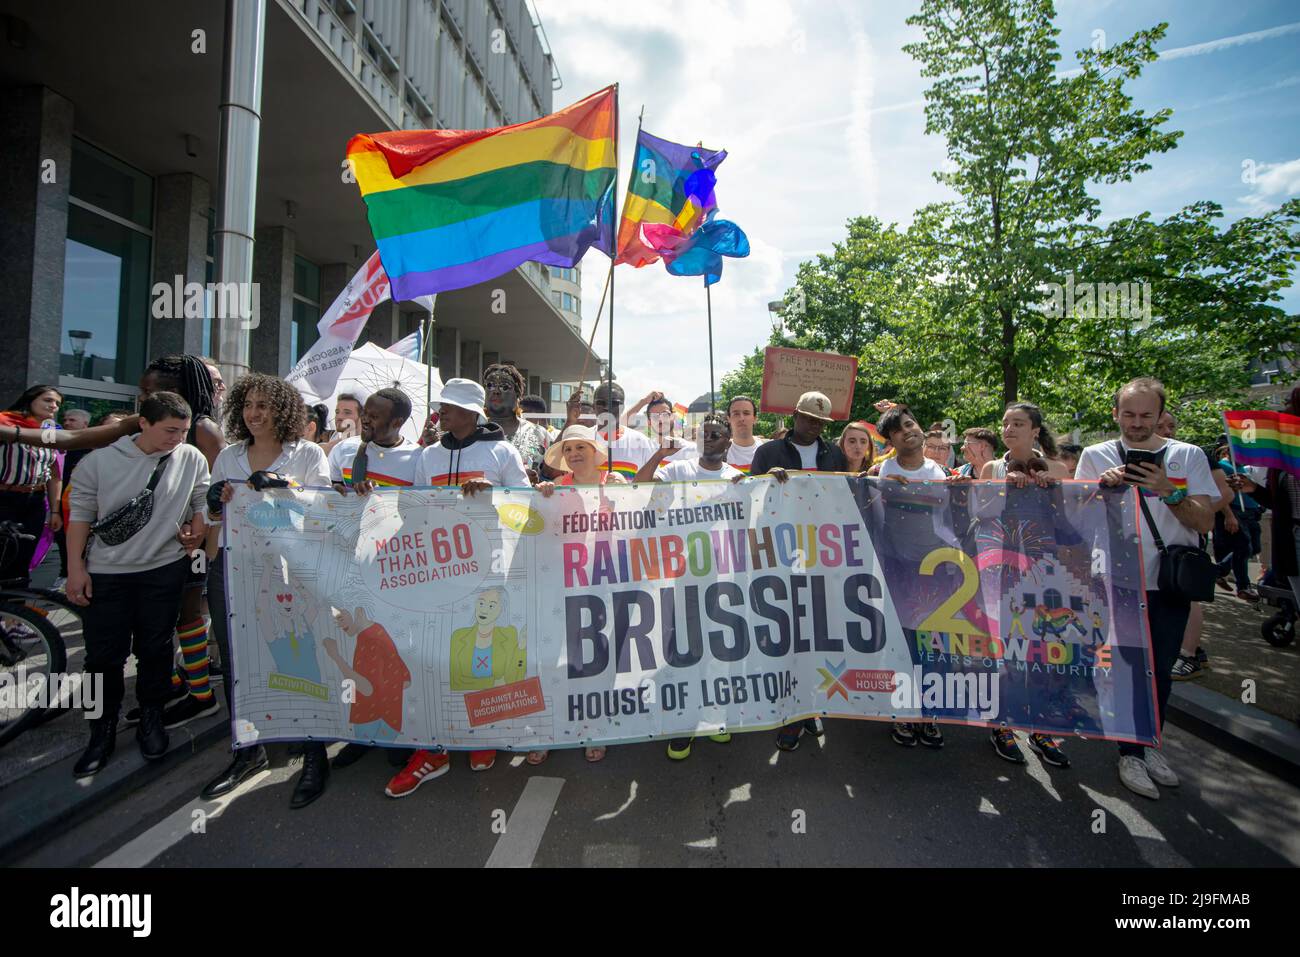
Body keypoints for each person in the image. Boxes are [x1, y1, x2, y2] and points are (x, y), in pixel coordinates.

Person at [381, 379, 530, 796]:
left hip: (489, 569)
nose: (443, 412)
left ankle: (479, 735)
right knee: (434, 656)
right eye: (442, 405)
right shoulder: (428, 454)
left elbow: (527, 502)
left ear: (472, 413)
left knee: (479, 653)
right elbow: (410, 506)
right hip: (437, 570)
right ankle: (437, 748)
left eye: (450, 406)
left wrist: (494, 494)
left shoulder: (502, 451)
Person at [1076, 378, 1216, 800]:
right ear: (1115, 414)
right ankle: (1130, 751)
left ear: (1160, 416)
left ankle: (1150, 741)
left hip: (1168, 583)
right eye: (1129, 414)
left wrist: (1168, 492)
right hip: (1116, 580)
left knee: (1162, 666)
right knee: (1126, 669)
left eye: (1146, 416)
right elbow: (1076, 517)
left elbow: (1204, 522)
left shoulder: (1188, 455)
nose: (1137, 424)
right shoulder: (1095, 455)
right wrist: (1104, 490)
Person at [198, 373, 333, 807]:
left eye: (264, 405)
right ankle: (247, 751)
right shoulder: (229, 457)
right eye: (248, 405)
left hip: (291, 572)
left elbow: (325, 510)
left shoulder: (308, 454)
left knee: (298, 655)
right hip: (234, 570)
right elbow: (215, 518)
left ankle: (313, 752)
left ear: (284, 410)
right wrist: (214, 500)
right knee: (237, 656)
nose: (254, 414)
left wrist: (285, 489)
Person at [65, 391, 210, 777]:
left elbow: (200, 499)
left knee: (156, 650)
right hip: (106, 574)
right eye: (168, 430)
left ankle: (152, 718)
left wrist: (196, 529)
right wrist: (76, 569)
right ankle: (100, 731)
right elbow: (79, 515)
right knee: (101, 659)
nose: (176, 439)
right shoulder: (99, 462)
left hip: (164, 569)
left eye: (182, 431)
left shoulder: (191, 457)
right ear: (142, 423)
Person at [632, 412, 742, 760]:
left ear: (728, 441)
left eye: (716, 434)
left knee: (719, 650)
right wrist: (658, 454)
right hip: (681, 576)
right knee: (684, 650)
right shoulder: (678, 471)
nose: (709, 439)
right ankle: (683, 724)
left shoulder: (738, 479)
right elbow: (640, 486)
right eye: (704, 434)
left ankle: (714, 718)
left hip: (724, 577)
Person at [976, 401, 1072, 766]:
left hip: (1045, 570)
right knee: (1006, 647)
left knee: (1044, 650)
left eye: (1018, 423)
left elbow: (1073, 518)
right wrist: (1001, 488)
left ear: (1035, 430)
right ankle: (1001, 722)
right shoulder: (992, 467)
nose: (1009, 429)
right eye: (1005, 423)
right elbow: (979, 513)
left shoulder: (1059, 468)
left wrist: (1052, 487)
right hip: (1002, 568)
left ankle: (1040, 726)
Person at [750, 391, 846, 751]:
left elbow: (842, 501)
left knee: (818, 633)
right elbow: (750, 500)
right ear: (794, 416)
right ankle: (790, 710)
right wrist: (765, 482)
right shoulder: (768, 453)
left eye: (821, 421)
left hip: (823, 556)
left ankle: (810, 707)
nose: (814, 426)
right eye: (808, 419)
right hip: (782, 556)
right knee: (788, 635)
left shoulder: (833, 454)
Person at [136, 355, 225, 730]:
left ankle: (202, 695)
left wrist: (202, 533)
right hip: (155, 541)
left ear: (178, 391)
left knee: (188, 613)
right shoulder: (150, 423)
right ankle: (170, 684)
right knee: (158, 618)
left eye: (153, 390)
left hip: (192, 544)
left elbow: (221, 490)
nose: (145, 397)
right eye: (143, 391)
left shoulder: (203, 430)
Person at [875, 404, 956, 750]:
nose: (908, 430)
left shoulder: (943, 472)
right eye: (898, 429)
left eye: (911, 424)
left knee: (935, 644)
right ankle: (904, 711)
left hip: (938, 572)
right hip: (897, 570)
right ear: (891, 440)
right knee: (902, 644)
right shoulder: (880, 472)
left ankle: (931, 712)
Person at [1155, 412, 1229, 681]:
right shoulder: (1134, 454)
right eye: (1161, 425)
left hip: (1181, 546)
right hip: (1154, 546)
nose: (1166, 429)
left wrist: (1189, 518)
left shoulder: (1191, 454)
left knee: (1186, 596)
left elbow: (1225, 494)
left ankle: (1189, 655)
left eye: (1170, 425)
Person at [0, 386, 64, 584]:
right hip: (4, 497)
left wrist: (54, 511)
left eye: (57, 403)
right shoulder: (5, 422)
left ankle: (16, 612)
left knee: (23, 556)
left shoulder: (49, 429)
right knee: (4, 553)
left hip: (35, 500)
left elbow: (54, 474)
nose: (53, 406)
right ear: (30, 400)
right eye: (48, 400)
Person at [565, 382, 658, 481]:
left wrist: (626, 487)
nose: (607, 407)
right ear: (594, 406)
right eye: (601, 403)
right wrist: (569, 421)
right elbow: (551, 469)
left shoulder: (642, 442)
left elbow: (653, 482)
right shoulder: (581, 439)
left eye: (614, 403)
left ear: (622, 407)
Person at [1211, 443, 1261, 603]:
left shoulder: (1243, 468)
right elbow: (1219, 492)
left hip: (1251, 512)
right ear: (1228, 452)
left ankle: (1219, 570)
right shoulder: (1222, 466)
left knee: (1255, 548)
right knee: (1244, 546)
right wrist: (1229, 515)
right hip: (1236, 510)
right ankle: (1243, 586)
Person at [483, 363, 550, 477]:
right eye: (490, 386)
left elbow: (551, 473)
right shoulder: (472, 430)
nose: (496, 391)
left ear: (518, 395)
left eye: (505, 387)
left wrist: (537, 481)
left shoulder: (538, 433)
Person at [725, 396, 767, 474]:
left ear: (755, 419)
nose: (741, 418)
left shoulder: (769, 449)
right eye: (736, 414)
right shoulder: (720, 452)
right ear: (729, 419)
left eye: (746, 413)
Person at [646, 396, 695, 462]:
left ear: (673, 417)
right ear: (649, 422)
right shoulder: (645, 450)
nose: (660, 419)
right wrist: (643, 401)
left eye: (665, 414)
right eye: (654, 416)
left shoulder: (692, 449)